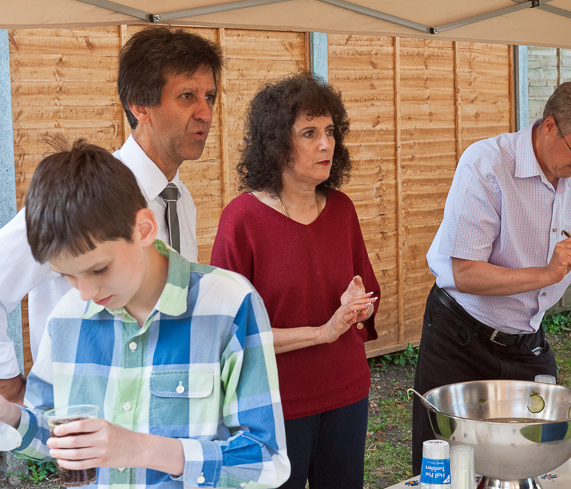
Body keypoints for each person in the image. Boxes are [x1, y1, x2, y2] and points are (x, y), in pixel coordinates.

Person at [3, 139, 290, 488]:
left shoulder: (229, 305)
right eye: (67, 276)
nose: (85, 293)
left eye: (99, 269)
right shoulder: (66, 316)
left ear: (144, 229)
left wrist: (140, 449)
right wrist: (10, 416)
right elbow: (54, 439)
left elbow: (267, 461)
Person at [412, 76, 571, 471]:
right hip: (461, 338)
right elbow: (464, 274)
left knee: (532, 462)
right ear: (549, 125)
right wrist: (547, 274)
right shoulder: (486, 165)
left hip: (526, 343)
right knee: (446, 466)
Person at [0, 27, 222, 404]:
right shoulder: (83, 196)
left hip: (163, 411)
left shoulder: (180, 200)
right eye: (187, 96)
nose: (205, 113)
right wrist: (9, 386)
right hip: (88, 416)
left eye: (210, 97)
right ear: (140, 106)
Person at [211, 73, 380, 489]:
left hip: (347, 393)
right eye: (309, 133)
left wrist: (358, 305)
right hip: (273, 404)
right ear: (276, 144)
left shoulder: (342, 209)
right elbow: (230, 334)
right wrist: (323, 331)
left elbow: (368, 297)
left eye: (330, 131)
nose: (326, 144)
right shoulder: (242, 220)